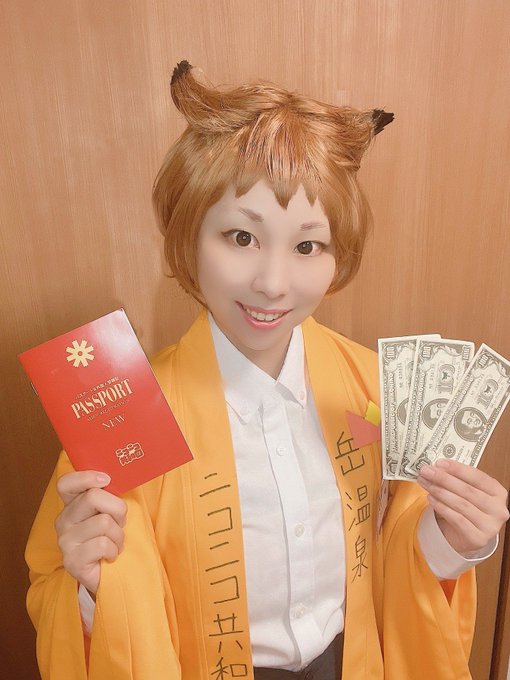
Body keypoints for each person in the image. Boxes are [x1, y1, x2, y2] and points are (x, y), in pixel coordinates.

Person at [25, 61, 509, 680]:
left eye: (307, 246)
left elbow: (393, 551)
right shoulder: (124, 415)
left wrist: (454, 538)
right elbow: (66, 588)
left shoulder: (372, 388)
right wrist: (93, 586)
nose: (273, 284)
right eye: (240, 237)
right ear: (188, 238)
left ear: (337, 257)